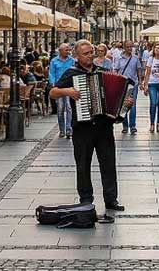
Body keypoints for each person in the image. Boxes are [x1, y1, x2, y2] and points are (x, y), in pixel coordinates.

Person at [49, 40, 129, 212]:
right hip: (82, 128)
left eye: (91, 52)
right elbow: (53, 92)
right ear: (76, 56)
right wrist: (67, 91)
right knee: (83, 164)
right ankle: (85, 199)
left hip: (104, 127)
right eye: (86, 53)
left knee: (108, 164)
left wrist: (125, 104)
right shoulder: (71, 73)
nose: (90, 55)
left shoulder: (103, 72)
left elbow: (119, 99)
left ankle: (111, 199)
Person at [110, 42, 142, 136]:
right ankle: (125, 126)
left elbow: (139, 70)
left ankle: (132, 126)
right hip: (122, 84)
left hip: (133, 85)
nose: (129, 48)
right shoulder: (119, 58)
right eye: (127, 47)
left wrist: (140, 81)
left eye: (131, 47)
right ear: (124, 47)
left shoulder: (135, 58)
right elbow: (115, 70)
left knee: (132, 105)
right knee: (123, 106)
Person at [49, 43, 75, 138]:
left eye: (68, 50)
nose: (68, 51)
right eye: (66, 50)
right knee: (60, 109)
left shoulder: (72, 60)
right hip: (58, 87)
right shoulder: (54, 61)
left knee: (69, 108)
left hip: (69, 87)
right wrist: (52, 83)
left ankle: (69, 129)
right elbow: (51, 73)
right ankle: (61, 129)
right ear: (60, 51)